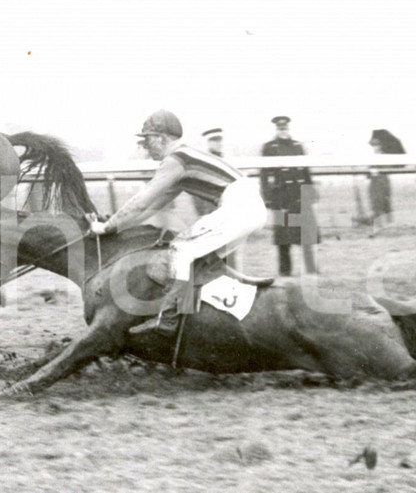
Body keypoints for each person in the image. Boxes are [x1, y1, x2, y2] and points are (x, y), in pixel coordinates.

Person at [89, 110, 266, 335]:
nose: (144, 145)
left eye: (147, 139)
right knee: (202, 260)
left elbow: (141, 201)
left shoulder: (175, 160)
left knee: (181, 249)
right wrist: (116, 224)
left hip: (240, 205)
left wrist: (106, 227)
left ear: (161, 138)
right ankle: (203, 319)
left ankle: (171, 319)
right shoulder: (183, 159)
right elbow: (151, 207)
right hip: (247, 206)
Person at [259, 116, 313, 276]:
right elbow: (264, 175)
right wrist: (267, 198)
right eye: (280, 128)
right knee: (283, 238)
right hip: (281, 198)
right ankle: (285, 271)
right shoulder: (269, 147)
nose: (283, 131)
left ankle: (310, 270)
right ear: (276, 130)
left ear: (288, 129)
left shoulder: (297, 146)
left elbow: (306, 171)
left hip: (298, 196)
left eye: (285, 128)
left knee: (306, 236)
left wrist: (309, 194)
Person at [367, 128, 406, 225]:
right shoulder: (376, 157)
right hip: (377, 180)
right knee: (378, 201)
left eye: (376, 144)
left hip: (380, 180)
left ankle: (385, 222)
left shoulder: (383, 157)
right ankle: (383, 222)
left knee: (381, 201)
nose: (374, 147)